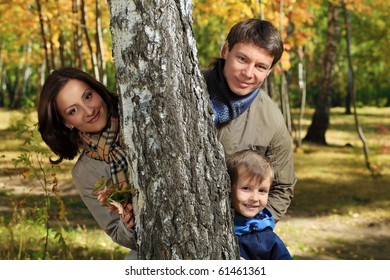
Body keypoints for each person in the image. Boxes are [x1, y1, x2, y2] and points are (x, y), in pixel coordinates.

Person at [203, 18, 297, 223]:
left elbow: (283, 187)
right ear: (226, 50)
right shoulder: (184, 89)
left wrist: (248, 232)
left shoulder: (272, 121)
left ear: (269, 71)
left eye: (260, 66)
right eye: (242, 59)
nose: (248, 73)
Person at [37, 67, 137, 259]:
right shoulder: (85, 172)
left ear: (97, 90)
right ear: (67, 122)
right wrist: (128, 225)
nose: (89, 111)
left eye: (88, 97)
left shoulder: (137, 114)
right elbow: (117, 233)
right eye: (73, 110)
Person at [226, 149, 292, 260]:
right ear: (228, 187)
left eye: (262, 191)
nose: (255, 198)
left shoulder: (268, 241)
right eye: (246, 188)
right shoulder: (219, 226)